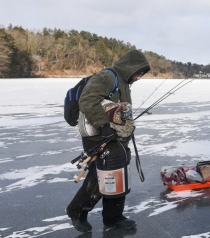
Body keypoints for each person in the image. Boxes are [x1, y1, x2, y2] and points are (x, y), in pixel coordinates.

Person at [66, 50, 150, 232]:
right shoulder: (107, 76)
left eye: (141, 74)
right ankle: (76, 211)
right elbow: (87, 100)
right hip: (97, 135)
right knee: (99, 176)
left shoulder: (124, 81)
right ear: (130, 67)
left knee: (118, 172)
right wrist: (103, 125)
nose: (139, 77)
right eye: (139, 73)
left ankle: (113, 217)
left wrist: (125, 127)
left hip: (115, 136)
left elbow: (118, 109)